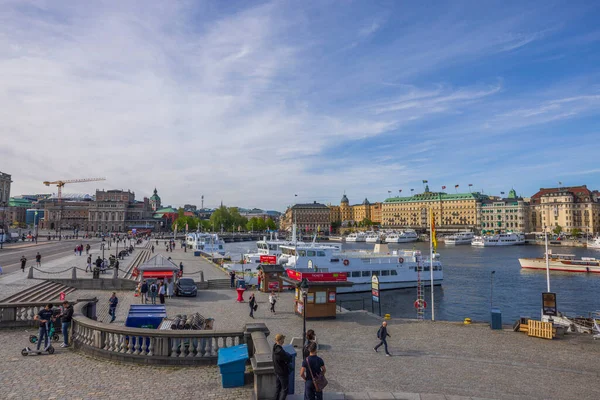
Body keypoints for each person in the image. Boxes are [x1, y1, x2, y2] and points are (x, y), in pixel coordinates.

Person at [273, 333, 292, 400]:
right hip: (282, 373)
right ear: (281, 340)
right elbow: (288, 359)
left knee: (277, 389)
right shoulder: (281, 351)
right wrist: (288, 355)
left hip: (277, 371)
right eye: (283, 339)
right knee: (285, 390)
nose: (284, 340)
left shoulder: (275, 347)